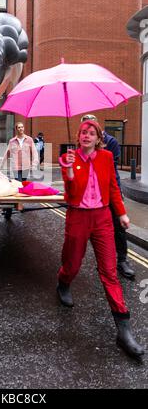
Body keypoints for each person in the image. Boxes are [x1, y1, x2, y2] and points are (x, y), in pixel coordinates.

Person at [57, 120, 144, 359]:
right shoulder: (69, 158)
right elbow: (71, 194)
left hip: (103, 217)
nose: (86, 135)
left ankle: (123, 329)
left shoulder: (106, 157)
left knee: (109, 271)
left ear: (98, 138)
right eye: (83, 132)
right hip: (78, 216)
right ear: (78, 136)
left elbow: (114, 187)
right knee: (72, 264)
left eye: (91, 132)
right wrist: (70, 172)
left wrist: (122, 213)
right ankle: (63, 281)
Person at [80, 114, 135, 280]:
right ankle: (104, 261)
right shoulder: (81, 143)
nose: (87, 133)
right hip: (89, 194)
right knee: (94, 230)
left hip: (110, 190)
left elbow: (109, 168)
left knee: (118, 227)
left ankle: (122, 260)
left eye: (91, 128)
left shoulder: (111, 142)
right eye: (84, 129)